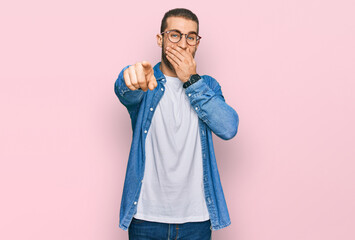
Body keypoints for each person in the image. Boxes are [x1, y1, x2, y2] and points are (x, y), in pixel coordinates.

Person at [114, 8, 239, 240]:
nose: (183, 44)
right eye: (175, 35)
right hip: (145, 218)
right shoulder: (147, 81)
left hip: (196, 220)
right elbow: (125, 90)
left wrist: (192, 81)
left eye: (190, 37)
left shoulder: (207, 86)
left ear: (197, 44)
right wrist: (128, 77)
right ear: (160, 39)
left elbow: (229, 127)